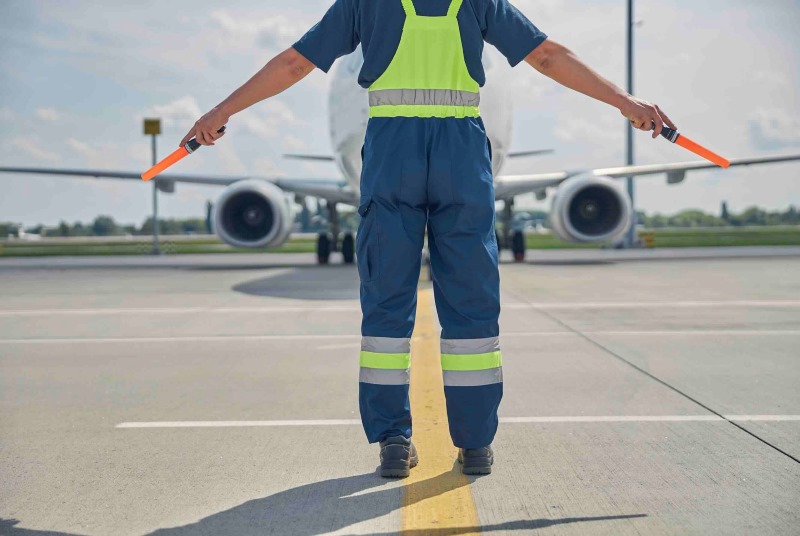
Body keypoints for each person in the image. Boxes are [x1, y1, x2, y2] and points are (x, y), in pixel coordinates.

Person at [181, 0, 675, 478]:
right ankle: (476, 443)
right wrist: (624, 103)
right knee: (471, 302)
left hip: (392, 151)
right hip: (460, 151)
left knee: (386, 303)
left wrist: (221, 111)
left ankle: (393, 441)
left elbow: (293, 64)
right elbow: (546, 55)